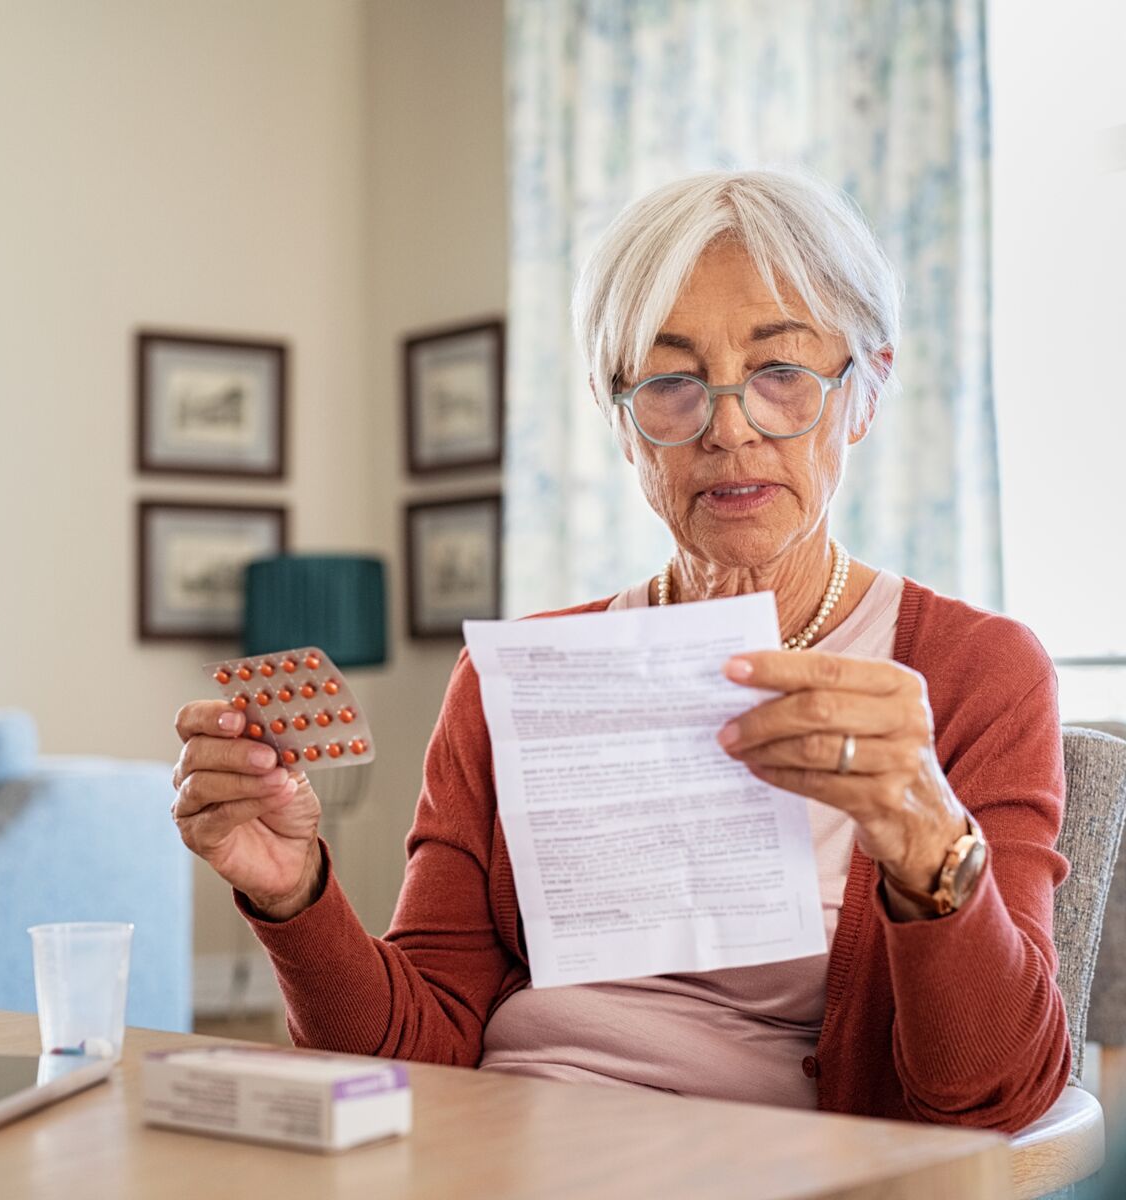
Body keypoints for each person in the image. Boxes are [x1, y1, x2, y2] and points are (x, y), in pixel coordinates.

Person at [170, 169, 1070, 1133]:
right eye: (673, 384)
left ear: (865, 395)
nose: (729, 427)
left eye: (780, 375)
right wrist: (295, 894)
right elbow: (413, 1055)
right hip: (495, 1148)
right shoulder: (511, 680)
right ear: (622, 419)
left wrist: (930, 841)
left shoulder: (978, 675)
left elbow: (998, 1096)